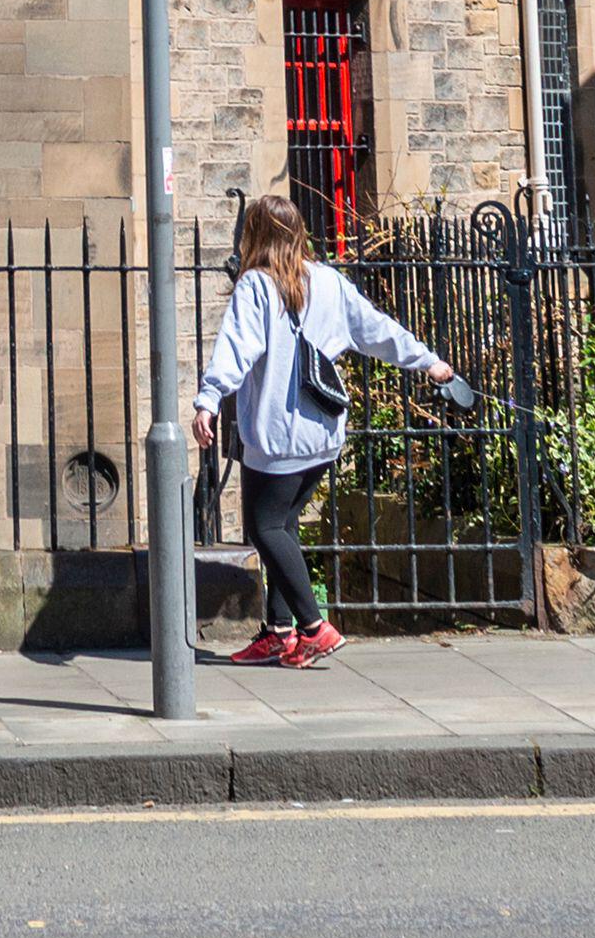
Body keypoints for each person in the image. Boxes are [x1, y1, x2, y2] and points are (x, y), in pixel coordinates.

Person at [187, 190, 467, 668]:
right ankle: (280, 633)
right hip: (322, 434)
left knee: (265, 526)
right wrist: (430, 362)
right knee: (285, 525)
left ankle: (314, 628)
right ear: (297, 234)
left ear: (254, 235)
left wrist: (208, 400)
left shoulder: (256, 285)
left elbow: (236, 349)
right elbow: (375, 329)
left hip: (275, 436)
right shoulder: (330, 282)